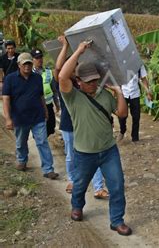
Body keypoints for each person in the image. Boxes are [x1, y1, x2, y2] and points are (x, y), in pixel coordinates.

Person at [58, 41, 131, 236]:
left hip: (108, 151)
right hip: (84, 153)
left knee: (117, 185)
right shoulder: (72, 97)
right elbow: (62, 75)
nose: (92, 84)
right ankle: (77, 206)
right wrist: (79, 51)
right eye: (88, 81)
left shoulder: (105, 95)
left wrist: (119, 93)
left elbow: (122, 114)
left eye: (95, 80)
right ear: (79, 81)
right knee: (80, 185)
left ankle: (116, 221)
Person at [53, 36, 109, 199]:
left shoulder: (84, 84)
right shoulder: (64, 85)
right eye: (70, 66)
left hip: (87, 126)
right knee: (71, 155)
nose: (72, 69)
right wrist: (67, 47)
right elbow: (58, 69)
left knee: (94, 154)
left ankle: (98, 187)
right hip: (69, 125)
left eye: (75, 67)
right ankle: (73, 180)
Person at [2, 52, 58, 179]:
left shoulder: (37, 78)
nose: (27, 66)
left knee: (42, 142)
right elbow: (6, 99)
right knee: (21, 142)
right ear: (19, 65)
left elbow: (41, 96)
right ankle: (22, 160)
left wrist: (46, 110)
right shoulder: (10, 79)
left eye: (29, 63)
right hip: (20, 118)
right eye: (24, 64)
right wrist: (8, 118)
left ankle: (48, 169)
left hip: (37, 116)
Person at [117, 64, 152, 142]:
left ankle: (135, 138)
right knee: (121, 116)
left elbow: (143, 79)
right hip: (123, 93)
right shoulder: (120, 63)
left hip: (135, 93)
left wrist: (148, 92)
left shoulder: (138, 64)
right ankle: (122, 130)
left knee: (136, 117)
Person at [31, 49, 60, 137]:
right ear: (32, 60)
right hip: (36, 107)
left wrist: (57, 105)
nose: (40, 60)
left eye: (40, 57)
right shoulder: (29, 74)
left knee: (50, 128)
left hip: (48, 105)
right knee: (39, 131)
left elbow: (54, 89)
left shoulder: (48, 72)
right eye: (37, 58)